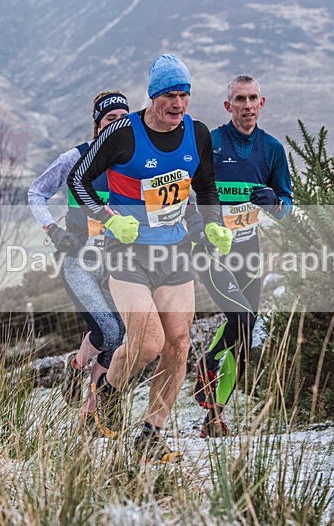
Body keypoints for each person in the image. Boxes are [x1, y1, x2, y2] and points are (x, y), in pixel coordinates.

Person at [69, 54, 231, 462]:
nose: (178, 105)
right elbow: (79, 180)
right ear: (153, 96)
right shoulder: (123, 133)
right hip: (127, 252)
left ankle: (150, 433)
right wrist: (108, 217)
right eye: (169, 96)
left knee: (177, 344)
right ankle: (107, 393)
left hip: (174, 252)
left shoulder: (198, 134)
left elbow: (206, 188)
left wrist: (212, 224)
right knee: (147, 342)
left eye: (184, 95)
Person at [190, 75, 293, 438]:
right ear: (227, 105)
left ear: (261, 103)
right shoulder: (211, 144)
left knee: (244, 338)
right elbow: (188, 194)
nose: (247, 105)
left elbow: (287, 208)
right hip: (211, 249)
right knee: (240, 318)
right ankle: (205, 363)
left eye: (253, 99)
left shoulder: (272, 150)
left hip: (249, 247)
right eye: (239, 99)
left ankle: (214, 417)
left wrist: (275, 204)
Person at [27, 91, 129, 420]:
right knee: (110, 332)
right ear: (97, 125)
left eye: (123, 119)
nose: (118, 125)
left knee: (119, 335)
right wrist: (53, 231)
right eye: (110, 119)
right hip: (79, 261)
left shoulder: (131, 163)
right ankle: (76, 366)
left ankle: (91, 409)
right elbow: (36, 192)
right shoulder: (75, 158)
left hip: (117, 262)